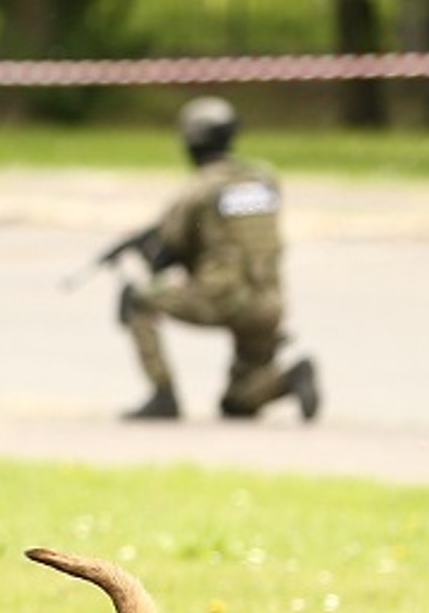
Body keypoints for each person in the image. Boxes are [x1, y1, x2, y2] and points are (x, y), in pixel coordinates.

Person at [114, 96, 320, 424]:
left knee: (137, 300)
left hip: (225, 297)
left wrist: (144, 252)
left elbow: (169, 253)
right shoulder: (264, 178)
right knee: (238, 404)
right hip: (269, 303)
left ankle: (163, 395)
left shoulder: (198, 190)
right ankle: (289, 378)